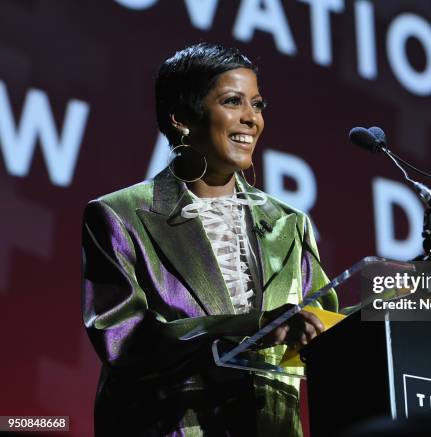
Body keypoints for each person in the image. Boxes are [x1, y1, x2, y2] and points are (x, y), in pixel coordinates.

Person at [81, 42, 338, 436]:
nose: (252, 119)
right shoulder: (120, 215)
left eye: (258, 104)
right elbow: (124, 341)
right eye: (234, 102)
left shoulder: (290, 224)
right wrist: (250, 327)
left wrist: (398, 303)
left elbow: (325, 336)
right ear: (181, 118)